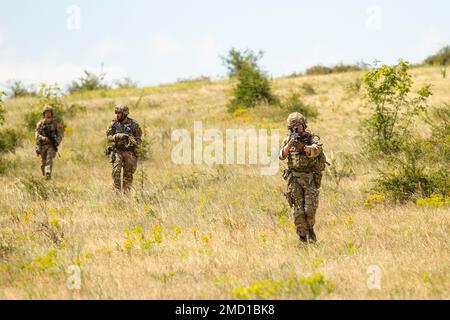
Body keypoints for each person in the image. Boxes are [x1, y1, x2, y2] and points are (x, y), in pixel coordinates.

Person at [279, 112, 327, 244]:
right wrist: (290, 144)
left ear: (304, 126)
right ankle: (302, 238)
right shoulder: (287, 140)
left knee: (309, 209)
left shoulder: (312, 138)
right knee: (298, 211)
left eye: (298, 127)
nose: (295, 130)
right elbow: (281, 155)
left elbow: (316, 150)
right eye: (292, 128)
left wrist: (303, 147)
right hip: (294, 180)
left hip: (310, 179)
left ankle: (310, 229)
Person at [106, 105, 142, 192]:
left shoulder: (134, 125)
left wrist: (133, 141)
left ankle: (126, 194)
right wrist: (117, 136)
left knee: (128, 175)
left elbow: (139, 140)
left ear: (125, 114)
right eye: (116, 113)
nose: (117, 115)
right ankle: (117, 193)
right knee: (116, 172)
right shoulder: (113, 124)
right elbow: (109, 137)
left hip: (129, 153)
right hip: (117, 151)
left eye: (119, 113)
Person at [35, 106, 64, 180]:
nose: (48, 114)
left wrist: (56, 142)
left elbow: (60, 134)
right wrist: (42, 138)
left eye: (49, 112)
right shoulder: (40, 124)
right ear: (44, 114)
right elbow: (36, 134)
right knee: (42, 164)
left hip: (51, 145)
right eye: (46, 112)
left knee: (49, 159)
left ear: (51, 113)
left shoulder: (55, 123)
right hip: (42, 145)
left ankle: (48, 174)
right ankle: (44, 175)